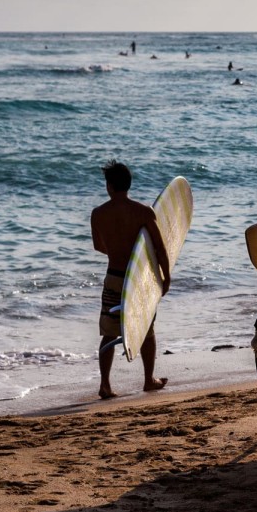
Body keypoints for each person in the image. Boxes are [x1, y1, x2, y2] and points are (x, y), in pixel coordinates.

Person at [91, 161, 171, 400]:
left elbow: (98, 246)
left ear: (109, 186)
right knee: (147, 329)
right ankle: (149, 380)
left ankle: (105, 384)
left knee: (109, 331)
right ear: (128, 184)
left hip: (114, 277)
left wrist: (118, 251)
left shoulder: (98, 214)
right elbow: (158, 247)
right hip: (139, 281)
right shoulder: (143, 211)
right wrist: (166, 276)